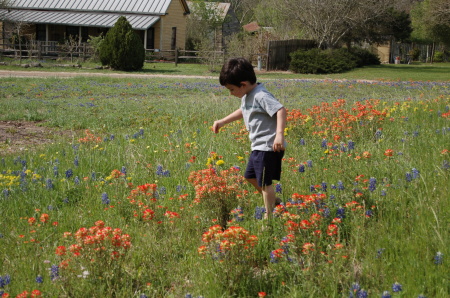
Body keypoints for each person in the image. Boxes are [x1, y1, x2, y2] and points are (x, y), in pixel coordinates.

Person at [212, 58, 286, 218]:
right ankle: (275, 202)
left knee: (265, 184)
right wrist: (223, 121)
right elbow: (244, 111)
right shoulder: (248, 95)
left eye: (231, 89)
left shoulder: (261, 95)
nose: (231, 94)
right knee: (250, 176)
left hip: (268, 146)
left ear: (243, 84)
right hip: (258, 146)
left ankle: (270, 215)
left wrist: (279, 134)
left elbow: (280, 110)